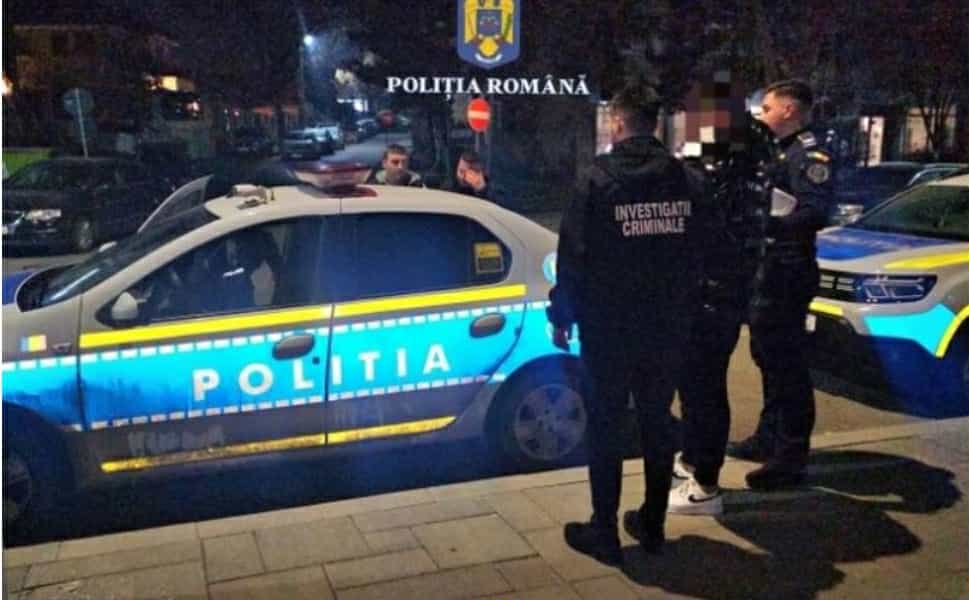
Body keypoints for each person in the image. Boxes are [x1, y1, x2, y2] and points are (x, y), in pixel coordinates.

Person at [547, 86, 702, 565]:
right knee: (657, 421)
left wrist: (562, 315)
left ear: (618, 122)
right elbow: (707, 249)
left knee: (606, 425)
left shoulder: (597, 179)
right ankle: (653, 522)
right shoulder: (687, 180)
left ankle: (605, 529)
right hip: (667, 325)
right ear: (653, 124)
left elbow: (573, 257)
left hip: (608, 327)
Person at [725, 79, 833, 491]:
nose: (762, 115)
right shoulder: (776, 150)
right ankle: (768, 437)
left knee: (787, 364)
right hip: (767, 269)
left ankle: (790, 457)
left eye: (767, 108)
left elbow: (815, 212)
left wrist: (765, 225)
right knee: (766, 356)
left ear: (789, 110)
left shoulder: (810, 154)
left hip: (788, 271)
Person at [670, 110, 777, 515]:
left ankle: (705, 485)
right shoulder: (750, 173)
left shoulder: (718, 180)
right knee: (698, 383)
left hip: (710, 295)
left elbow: (698, 235)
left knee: (704, 387)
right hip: (726, 293)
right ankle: (694, 459)